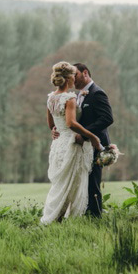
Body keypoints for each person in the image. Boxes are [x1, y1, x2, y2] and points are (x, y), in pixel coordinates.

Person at [40, 62, 104, 224]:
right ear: (69, 78)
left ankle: (54, 217)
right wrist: (93, 137)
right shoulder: (69, 98)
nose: (75, 78)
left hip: (58, 144)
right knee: (71, 183)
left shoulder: (51, 98)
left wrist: (55, 129)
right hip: (71, 144)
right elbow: (71, 123)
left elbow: (51, 125)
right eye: (73, 76)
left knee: (61, 183)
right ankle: (59, 219)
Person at [53, 62, 114, 217]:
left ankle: (95, 217)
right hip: (80, 145)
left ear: (85, 73)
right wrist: (57, 129)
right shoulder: (77, 95)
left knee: (93, 183)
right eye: (72, 75)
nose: (73, 78)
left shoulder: (97, 93)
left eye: (76, 74)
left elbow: (107, 119)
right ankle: (82, 214)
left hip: (94, 144)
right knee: (81, 182)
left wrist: (86, 134)